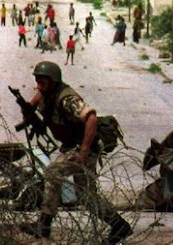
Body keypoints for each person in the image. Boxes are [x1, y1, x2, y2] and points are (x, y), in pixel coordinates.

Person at [18, 61, 133, 245]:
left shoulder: (67, 99)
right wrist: (28, 109)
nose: (39, 86)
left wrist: (84, 151)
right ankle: (119, 225)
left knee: (53, 171)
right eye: (37, 81)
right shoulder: (45, 92)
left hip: (81, 147)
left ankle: (44, 223)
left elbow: (91, 118)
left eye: (43, 82)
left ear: (53, 81)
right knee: (86, 197)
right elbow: (33, 104)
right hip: (71, 146)